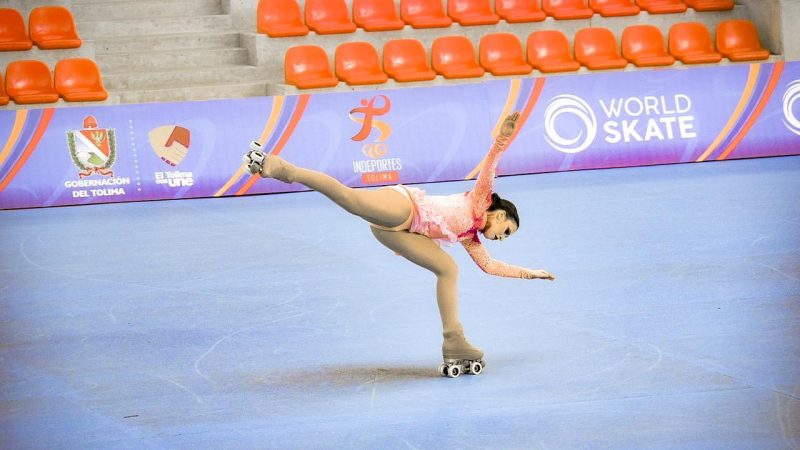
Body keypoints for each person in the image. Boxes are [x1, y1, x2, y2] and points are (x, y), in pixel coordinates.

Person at [244, 112, 555, 372]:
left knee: (448, 269)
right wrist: (503, 137)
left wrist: (531, 273)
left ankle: (453, 340)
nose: (502, 238)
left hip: (396, 232)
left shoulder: (469, 237)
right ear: (499, 215)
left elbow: (490, 266)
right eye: (506, 231)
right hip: (406, 206)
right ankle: (282, 168)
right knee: (350, 199)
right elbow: (491, 164)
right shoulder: (479, 199)